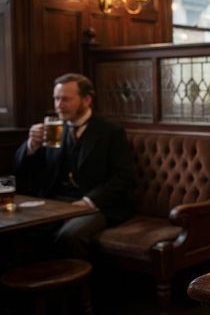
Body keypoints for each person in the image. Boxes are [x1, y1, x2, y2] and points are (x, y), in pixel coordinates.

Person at [13, 73, 134, 259]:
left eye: (65, 99)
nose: (58, 105)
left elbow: (123, 177)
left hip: (95, 205)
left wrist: (88, 201)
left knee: (69, 236)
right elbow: (21, 169)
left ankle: (77, 287)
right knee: (23, 231)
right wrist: (31, 145)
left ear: (86, 99)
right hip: (55, 202)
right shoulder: (53, 128)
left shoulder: (110, 131)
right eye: (56, 99)